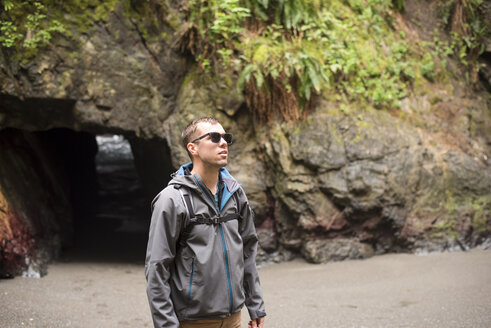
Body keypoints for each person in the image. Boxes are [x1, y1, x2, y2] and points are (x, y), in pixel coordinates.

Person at [145, 117, 266, 328]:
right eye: (215, 137)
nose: (224, 142)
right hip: (193, 321)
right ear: (193, 148)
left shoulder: (235, 194)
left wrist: (255, 304)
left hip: (234, 319)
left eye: (226, 137)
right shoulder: (172, 200)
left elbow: (248, 251)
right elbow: (157, 267)